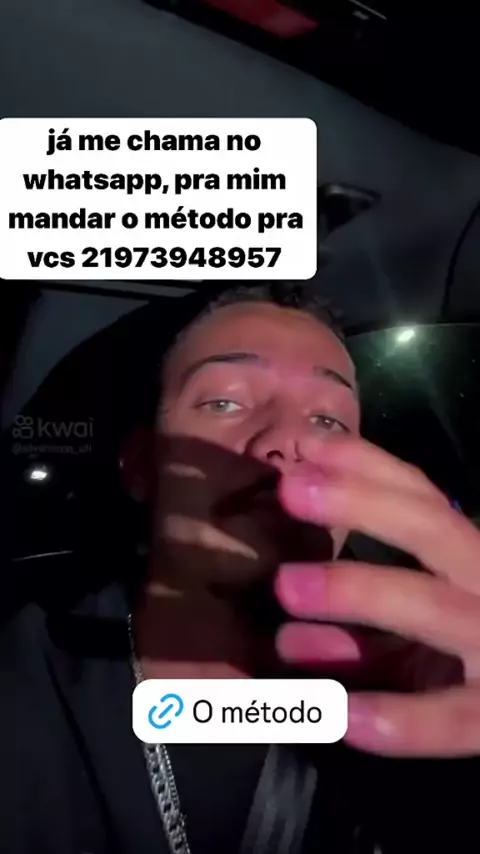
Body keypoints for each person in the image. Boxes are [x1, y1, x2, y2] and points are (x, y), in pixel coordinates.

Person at [1, 283, 479, 854]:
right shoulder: (22, 693)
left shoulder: (417, 698)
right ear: (143, 466)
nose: (287, 440)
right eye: (225, 403)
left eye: (328, 419)